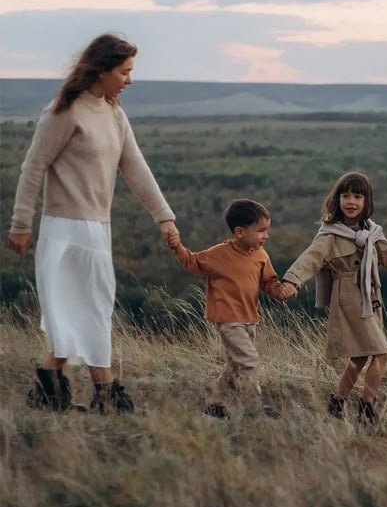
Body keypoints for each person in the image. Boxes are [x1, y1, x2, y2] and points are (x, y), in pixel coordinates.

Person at [8, 33, 179, 413]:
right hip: (64, 229)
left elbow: (136, 168)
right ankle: (107, 394)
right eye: (125, 71)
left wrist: (164, 217)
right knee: (88, 309)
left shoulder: (114, 115)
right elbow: (33, 167)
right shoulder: (64, 111)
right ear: (101, 71)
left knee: (82, 311)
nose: (130, 79)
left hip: (98, 229)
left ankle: (50, 390)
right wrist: (21, 223)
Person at [280, 171, 387, 424]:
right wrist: (291, 280)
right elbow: (310, 258)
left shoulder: (372, 233)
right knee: (382, 353)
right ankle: (367, 406)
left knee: (361, 356)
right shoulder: (330, 234)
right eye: (345, 196)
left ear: (367, 201)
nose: (351, 201)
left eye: (357, 196)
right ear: (337, 199)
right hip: (349, 297)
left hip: (370, 295)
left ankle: (337, 401)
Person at [167, 199, 290, 419]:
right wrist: (177, 247)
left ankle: (215, 404)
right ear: (240, 232)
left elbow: (269, 282)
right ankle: (254, 408)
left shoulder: (261, 255)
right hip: (227, 318)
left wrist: (280, 291)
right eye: (261, 231)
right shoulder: (218, 254)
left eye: (267, 230)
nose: (266, 236)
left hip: (249, 317)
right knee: (249, 361)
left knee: (235, 364)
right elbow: (192, 262)